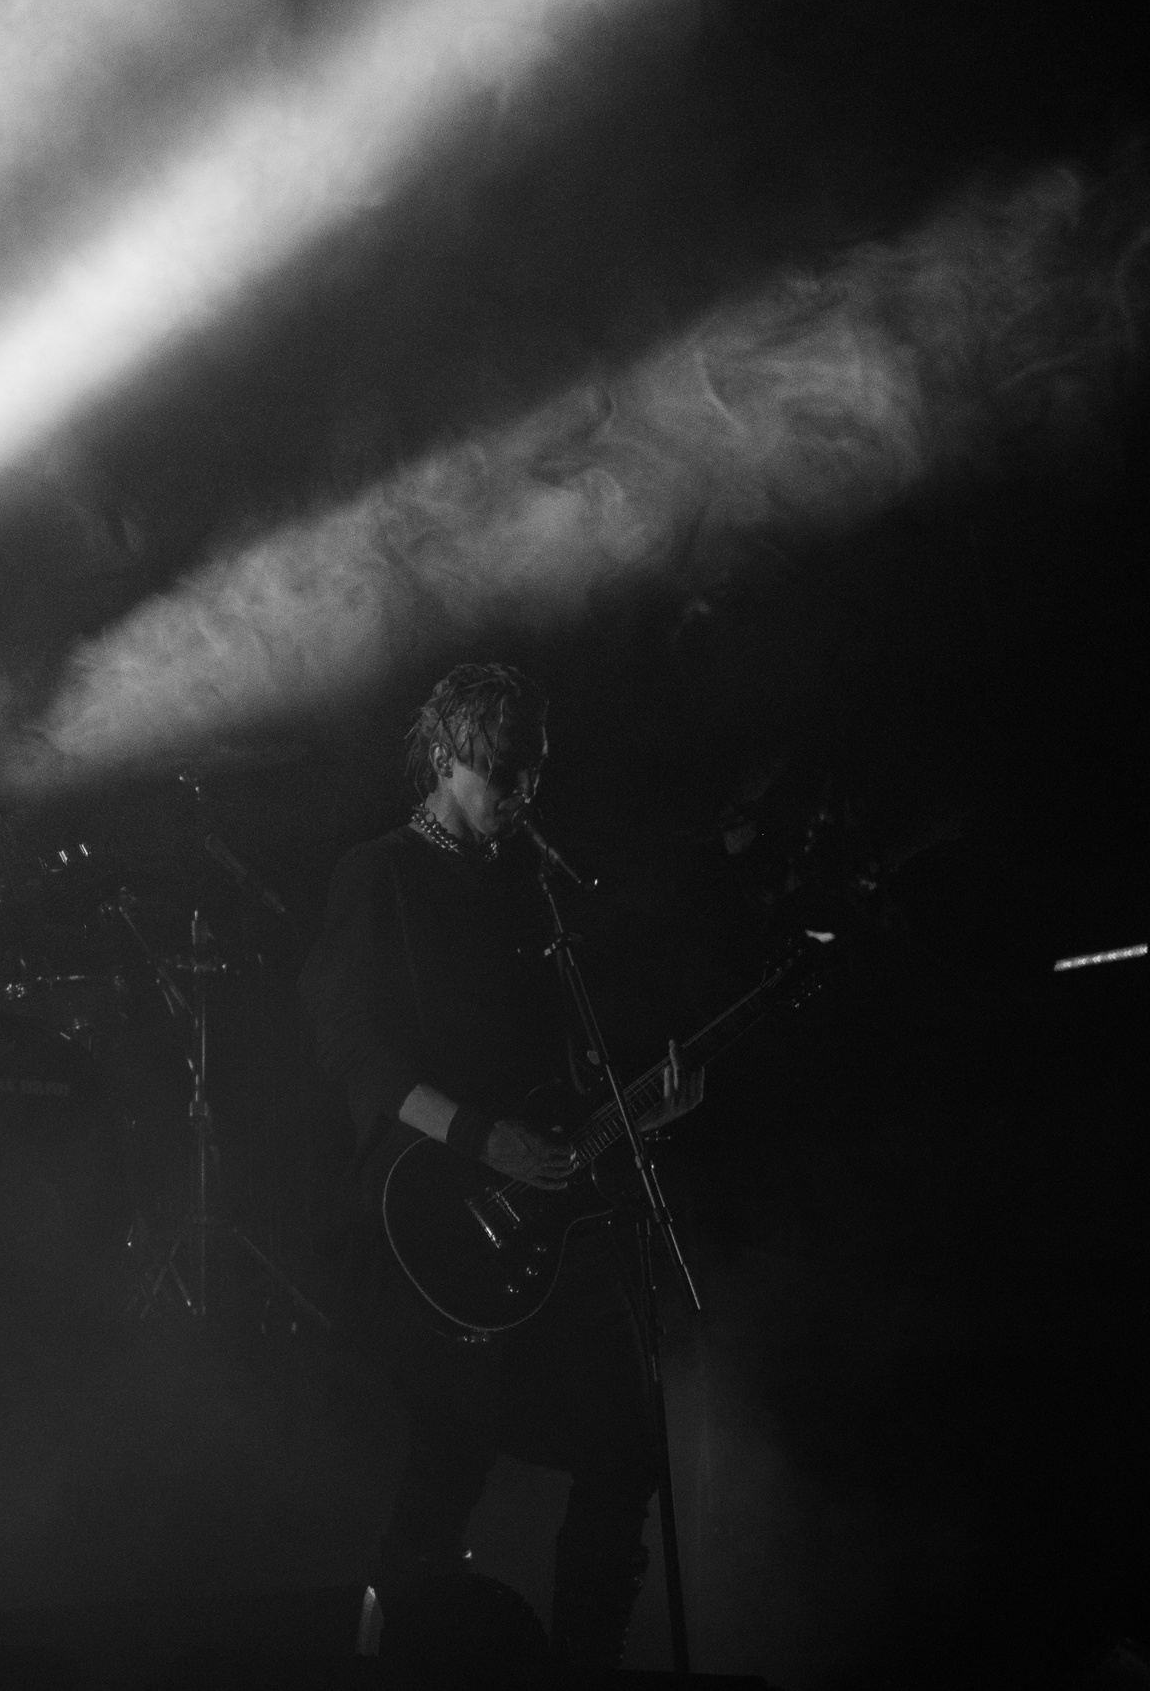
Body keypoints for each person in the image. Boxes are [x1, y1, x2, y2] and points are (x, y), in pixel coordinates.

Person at [297, 663, 695, 1669]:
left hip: (536, 1217)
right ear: (444, 756)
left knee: (626, 1446)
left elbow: (556, 1075)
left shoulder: (530, 889)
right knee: (450, 1453)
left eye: (534, 773)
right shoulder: (379, 873)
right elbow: (353, 1049)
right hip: (429, 1209)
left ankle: (582, 1665)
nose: (521, 794)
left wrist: (638, 1107)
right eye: (502, 773)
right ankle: (390, 1661)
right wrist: (479, 1137)